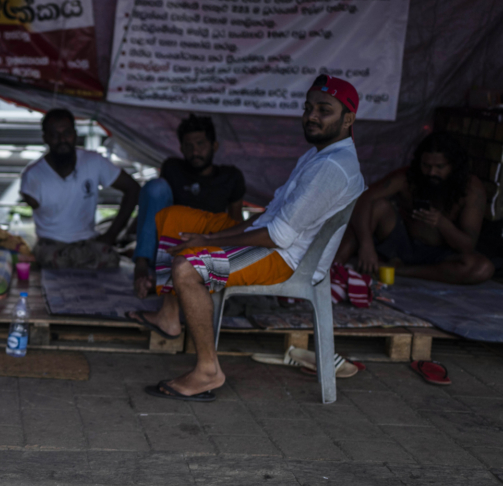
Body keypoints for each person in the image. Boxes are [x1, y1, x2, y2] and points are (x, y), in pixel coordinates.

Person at [130, 75, 366, 401]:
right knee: (172, 218)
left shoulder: (333, 168)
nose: (311, 116)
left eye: (324, 110)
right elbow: (270, 214)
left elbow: (278, 235)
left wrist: (207, 243)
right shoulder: (319, 155)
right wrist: (209, 235)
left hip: (285, 258)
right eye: (308, 108)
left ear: (348, 118)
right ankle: (169, 317)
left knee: (186, 267)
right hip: (273, 239)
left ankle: (208, 371)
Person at [334, 132, 493, 285]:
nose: (432, 172)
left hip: (440, 256)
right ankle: (333, 268)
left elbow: (467, 246)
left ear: (454, 166)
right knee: (376, 206)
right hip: (401, 244)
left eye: (439, 166)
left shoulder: (471, 189)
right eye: (426, 165)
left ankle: (401, 271)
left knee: (482, 268)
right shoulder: (408, 177)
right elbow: (363, 199)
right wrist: (366, 245)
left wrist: (442, 223)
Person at [133, 115, 247, 298]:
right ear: (181, 148)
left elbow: (236, 222)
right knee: (156, 187)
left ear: (214, 146)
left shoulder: (230, 177)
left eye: (201, 144)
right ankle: (142, 266)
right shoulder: (173, 168)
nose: (195, 152)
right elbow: (155, 206)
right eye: (188, 146)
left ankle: (166, 281)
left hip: (207, 248)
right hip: (170, 247)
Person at [20, 108, 141, 269]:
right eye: (55, 135)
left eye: (67, 133)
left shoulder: (94, 161)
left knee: (110, 258)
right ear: (45, 138)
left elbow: (133, 189)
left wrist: (112, 234)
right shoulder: (33, 175)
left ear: (75, 134)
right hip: (51, 244)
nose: (62, 139)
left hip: (88, 242)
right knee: (52, 259)